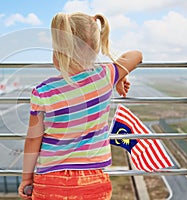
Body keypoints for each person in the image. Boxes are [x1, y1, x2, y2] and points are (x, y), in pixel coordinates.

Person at [18, 12, 142, 200]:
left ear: (59, 51)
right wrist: (120, 75)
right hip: (93, 181)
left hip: (49, 182)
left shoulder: (42, 92)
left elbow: (33, 139)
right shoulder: (105, 76)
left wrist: (27, 178)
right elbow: (136, 55)